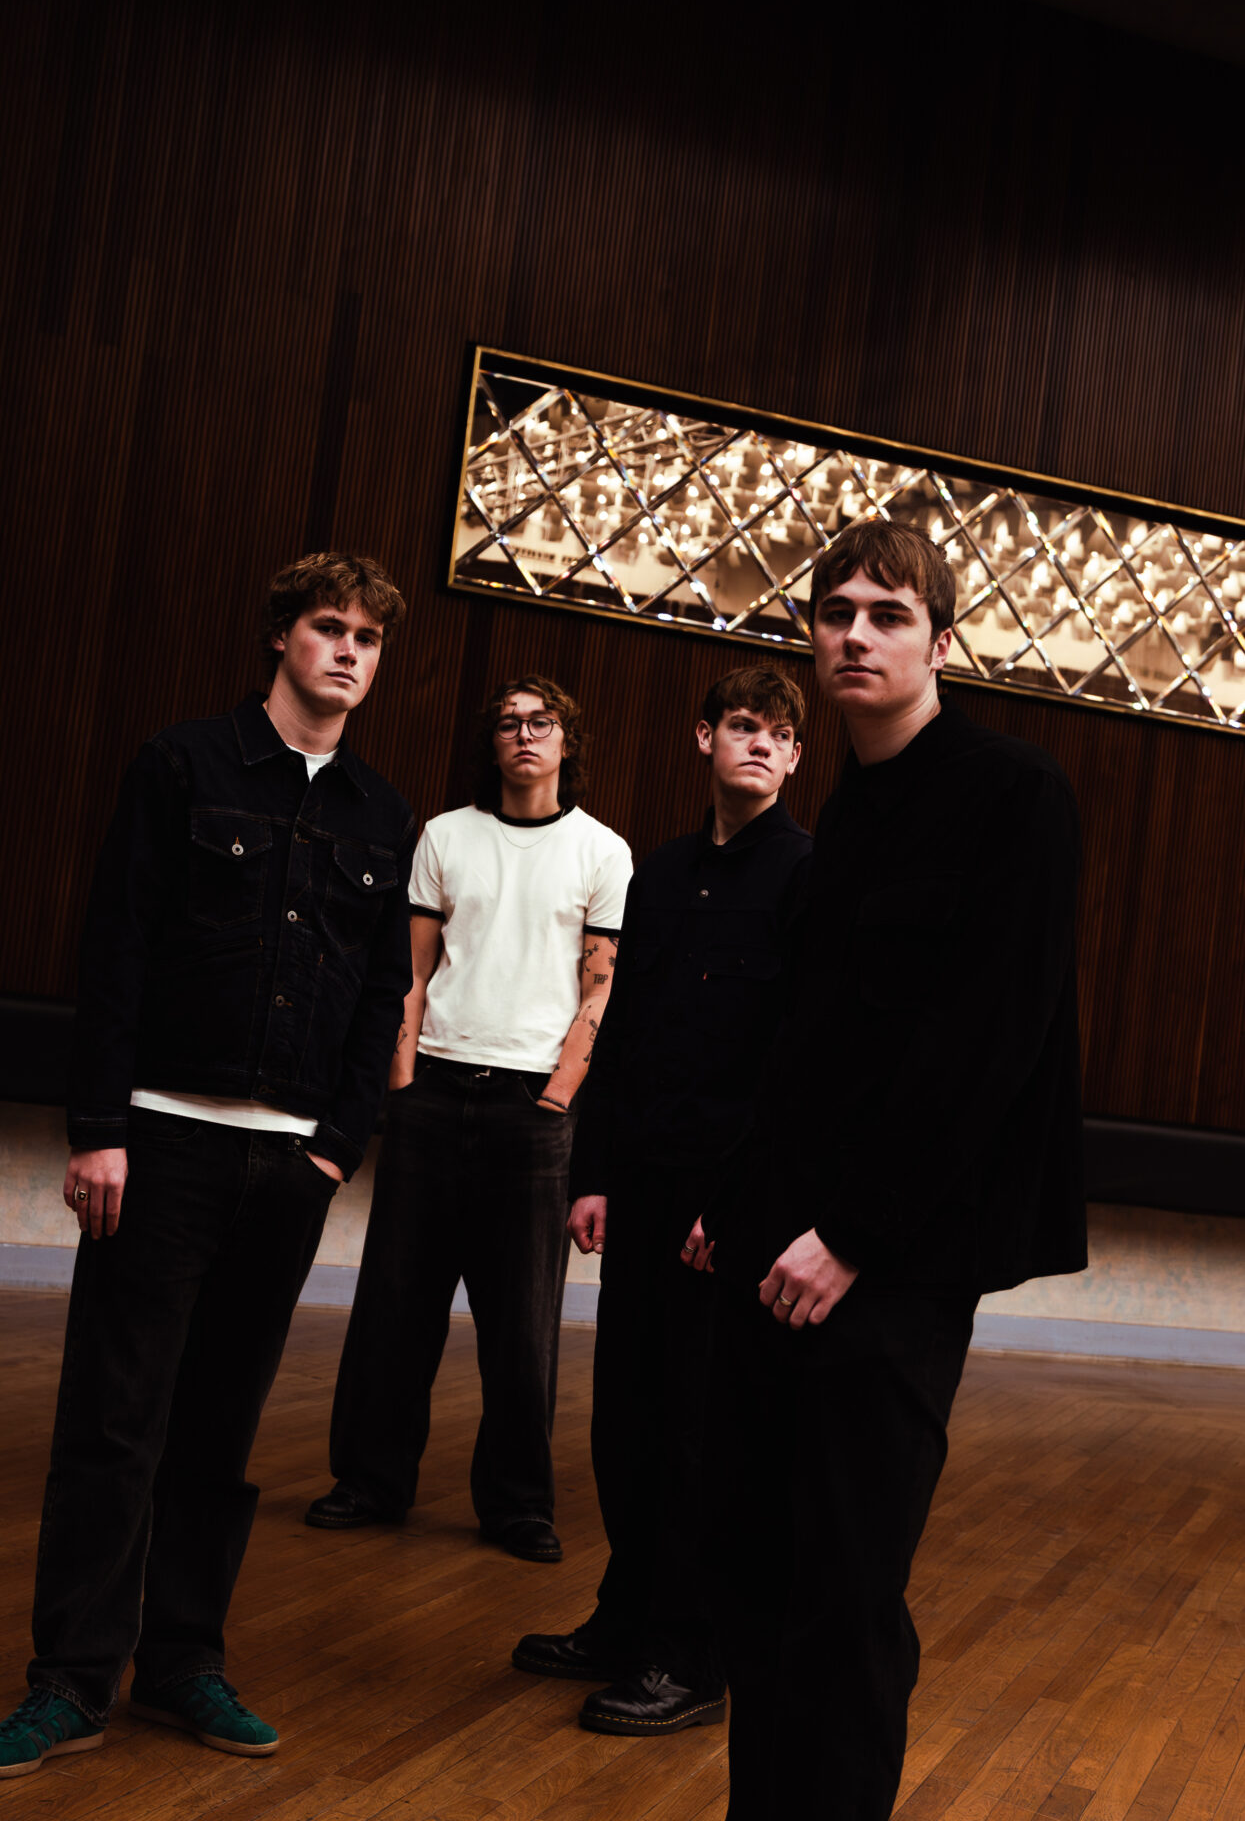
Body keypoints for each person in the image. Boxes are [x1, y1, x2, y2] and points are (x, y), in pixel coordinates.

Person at [0, 552, 415, 1780]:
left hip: (289, 1166)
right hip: (159, 1139)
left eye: (369, 638)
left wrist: (336, 1148)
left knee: (222, 1426)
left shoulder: (385, 814)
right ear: (281, 636)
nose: (349, 651)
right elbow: (116, 943)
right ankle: (69, 1679)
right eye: (329, 627)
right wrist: (98, 1125)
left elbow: (383, 994)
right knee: (114, 1421)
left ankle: (182, 1660)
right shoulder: (181, 764)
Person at [705, 519, 1086, 1820]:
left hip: (895, 1263)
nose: (855, 635)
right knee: (760, 1575)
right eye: (835, 613)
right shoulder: (851, 808)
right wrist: (736, 1205)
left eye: (888, 614)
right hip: (789, 1244)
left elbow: (990, 1044)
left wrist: (854, 1234)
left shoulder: (1015, 792)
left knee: (847, 1595)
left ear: (941, 641)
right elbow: (810, 1046)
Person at [513, 665, 812, 1736]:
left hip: (722, 1209)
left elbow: (793, 1064)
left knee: (697, 1436)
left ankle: (690, 1654)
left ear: (794, 757)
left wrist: (733, 1205)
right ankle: (627, 1617)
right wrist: (592, 1171)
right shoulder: (660, 871)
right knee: (626, 1420)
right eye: (742, 725)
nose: (759, 744)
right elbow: (624, 1030)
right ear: (703, 737)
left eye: (778, 734)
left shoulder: (806, 875)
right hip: (639, 1186)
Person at [306, 675, 631, 1561]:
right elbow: (409, 971)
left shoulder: (602, 851)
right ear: (491, 743)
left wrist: (557, 1094)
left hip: (532, 1109)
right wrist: (404, 1081)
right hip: (434, 1092)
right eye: (508, 723)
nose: (525, 734)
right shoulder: (445, 836)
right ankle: (369, 1481)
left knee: (522, 1324)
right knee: (394, 1305)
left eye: (541, 722)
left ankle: (518, 1505)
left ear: (566, 740)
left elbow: (599, 988)